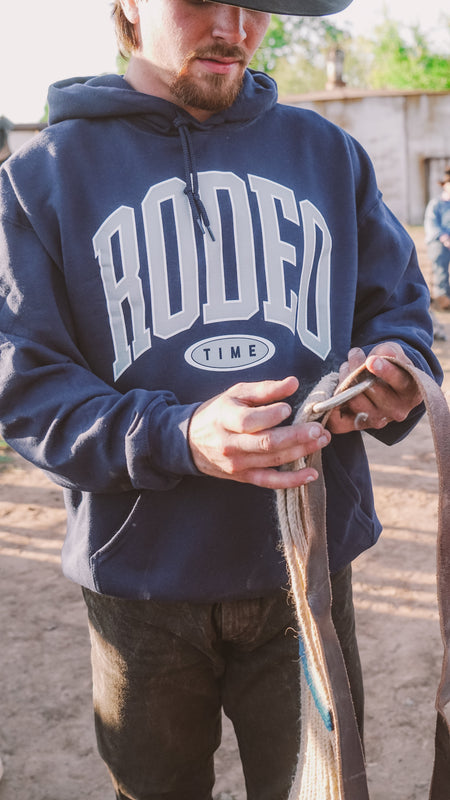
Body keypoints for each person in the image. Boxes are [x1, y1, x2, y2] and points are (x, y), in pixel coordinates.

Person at [0, 0, 442, 798]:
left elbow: (401, 310)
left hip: (310, 569)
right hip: (140, 581)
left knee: (322, 789)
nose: (234, 28)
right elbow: (26, 388)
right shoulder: (42, 180)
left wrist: (393, 370)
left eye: (256, 5)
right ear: (129, 5)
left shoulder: (328, 154)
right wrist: (181, 436)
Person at [424, 167, 450, 311]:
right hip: (439, 241)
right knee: (441, 260)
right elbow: (432, 224)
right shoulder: (436, 204)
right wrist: (444, 238)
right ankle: (443, 298)